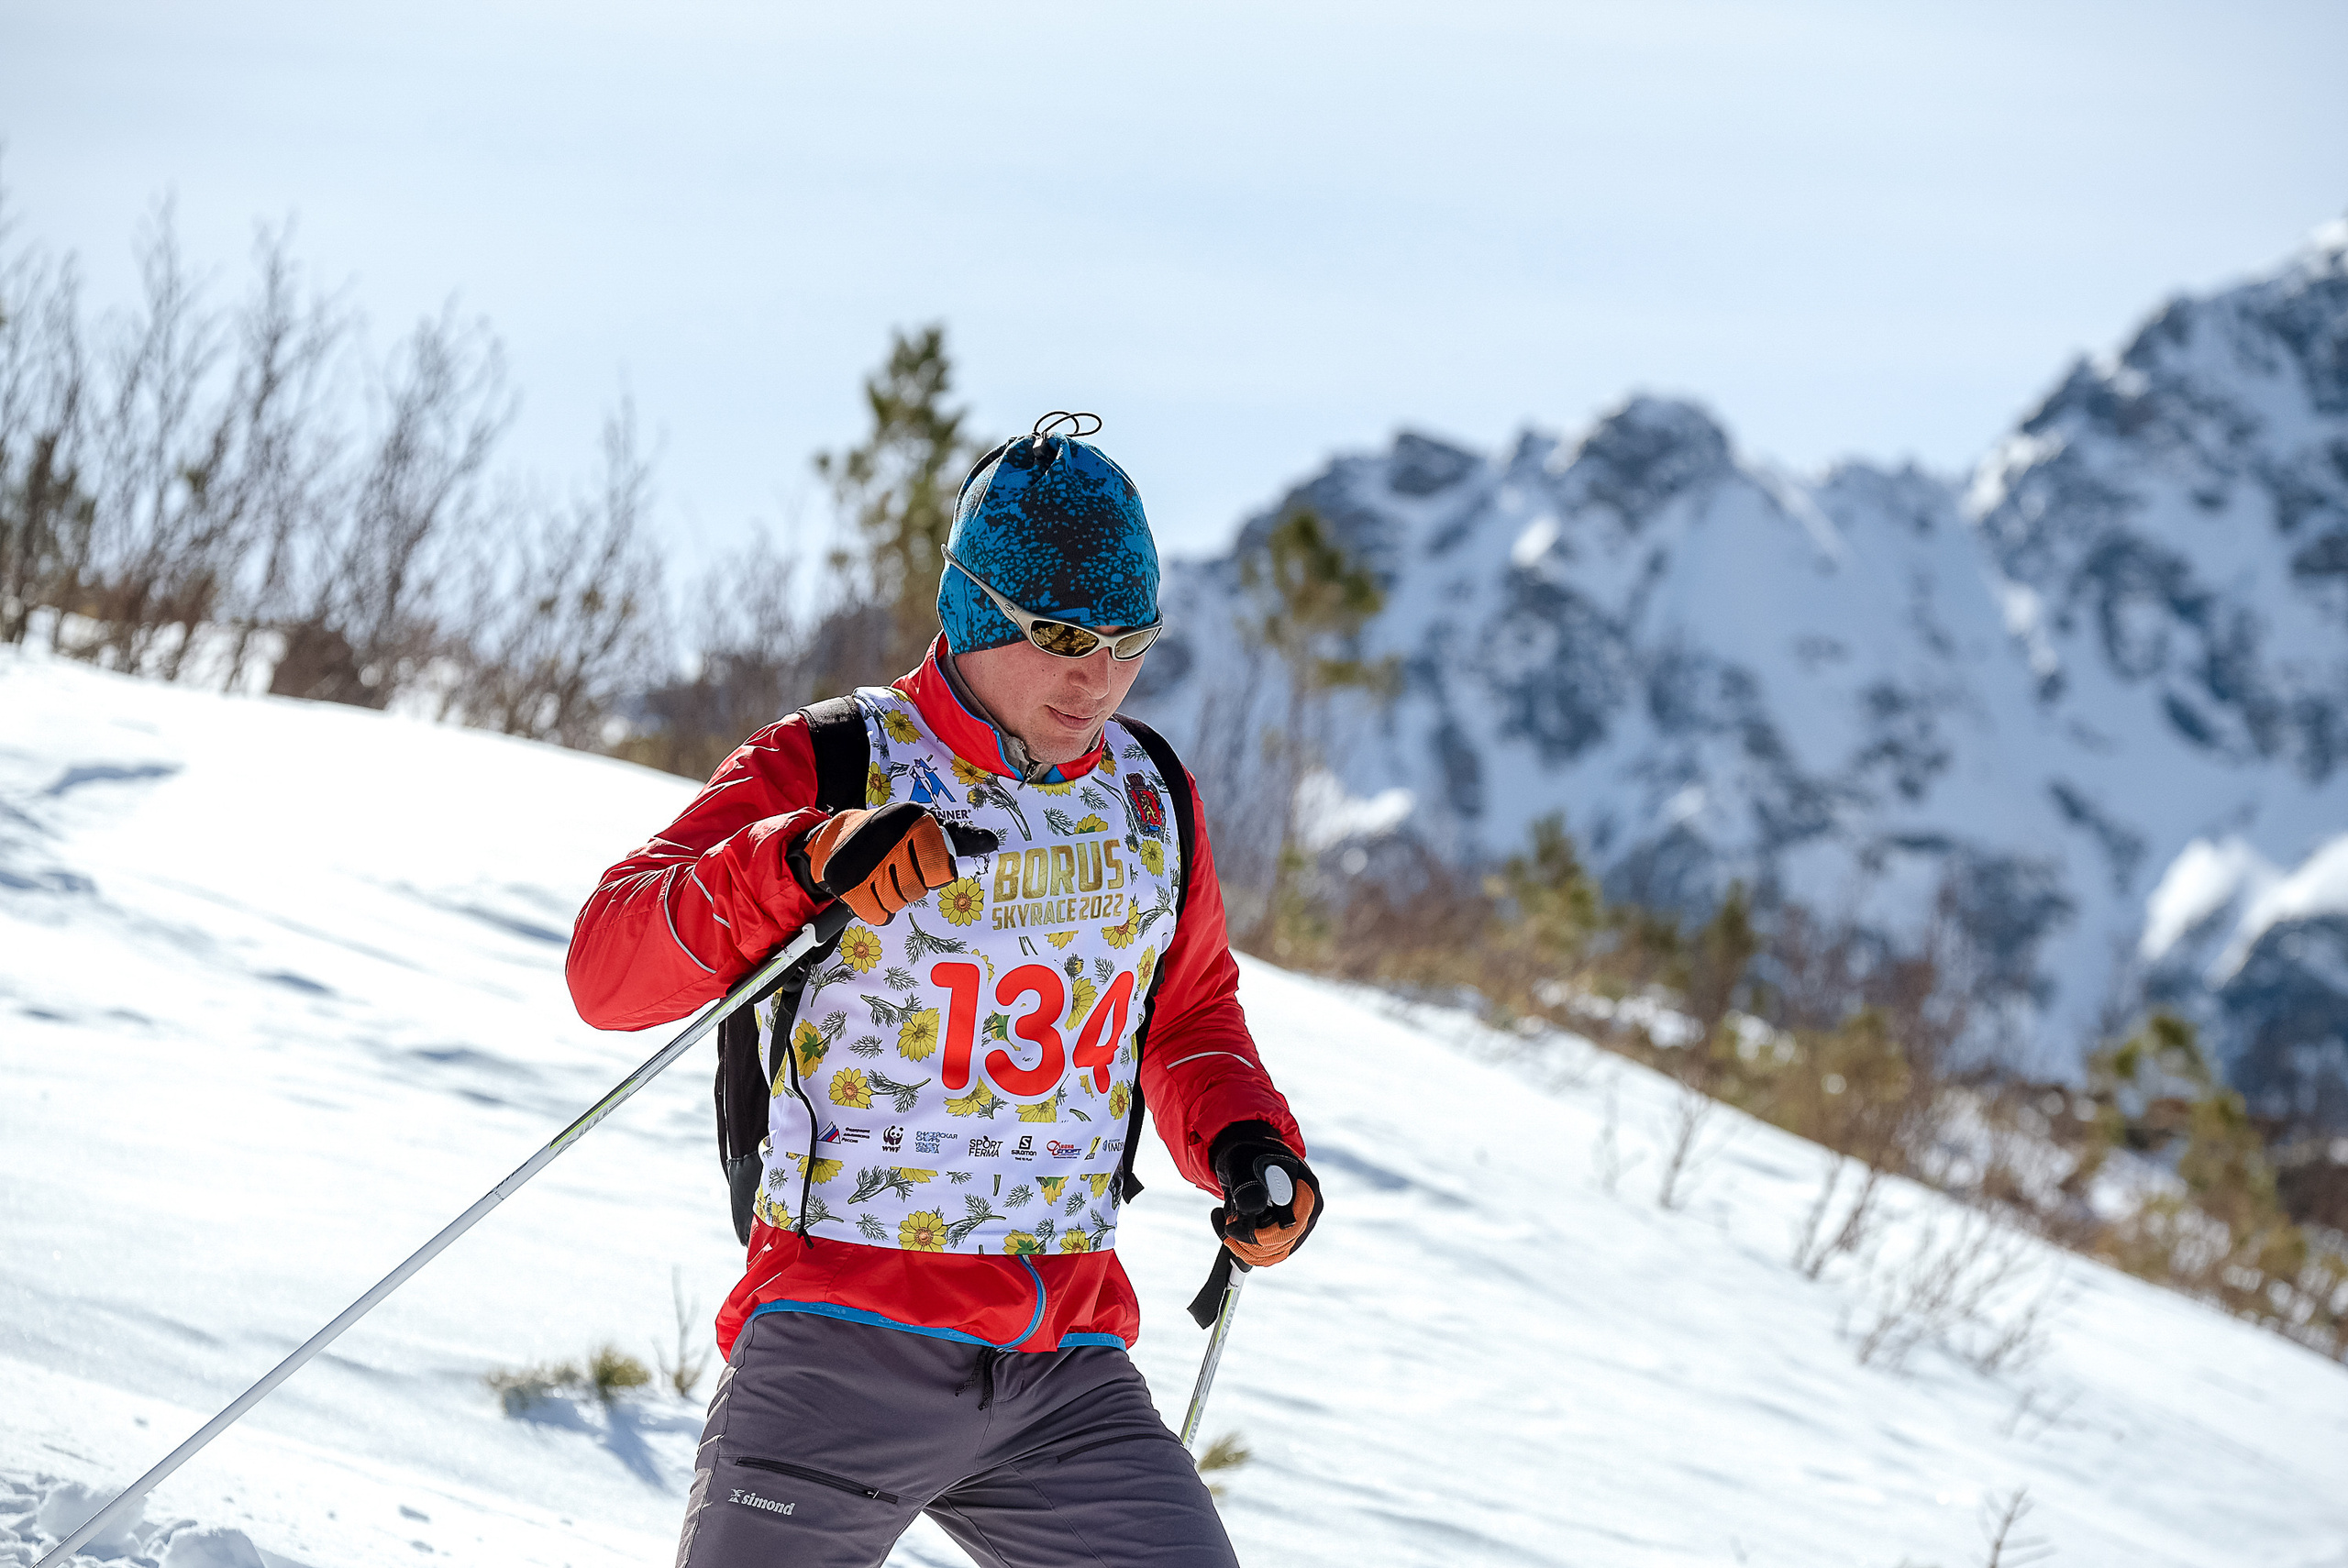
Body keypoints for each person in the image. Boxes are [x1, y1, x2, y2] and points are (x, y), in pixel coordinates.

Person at [566, 415, 1322, 1567]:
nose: (1098, 678)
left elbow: (1187, 1012)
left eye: (1130, 641)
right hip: (842, 1338)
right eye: (1062, 635)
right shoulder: (839, 759)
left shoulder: (1148, 794)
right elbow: (607, 968)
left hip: (1064, 1372)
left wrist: (1245, 1142)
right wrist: (806, 859)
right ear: (973, 608)